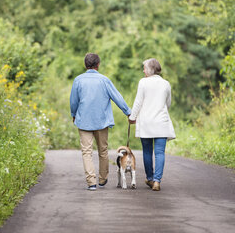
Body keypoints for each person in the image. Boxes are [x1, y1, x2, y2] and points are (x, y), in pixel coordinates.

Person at [70, 53, 131, 191]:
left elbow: (73, 101)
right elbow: (117, 97)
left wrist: (74, 114)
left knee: (87, 152)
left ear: (85, 65)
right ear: (98, 65)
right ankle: (103, 179)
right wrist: (128, 111)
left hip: (84, 120)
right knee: (102, 150)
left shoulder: (78, 80)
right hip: (101, 121)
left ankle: (91, 182)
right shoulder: (104, 80)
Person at [128, 58, 176, 191]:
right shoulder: (166, 84)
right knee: (160, 153)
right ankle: (157, 181)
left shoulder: (143, 82)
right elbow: (168, 103)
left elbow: (138, 102)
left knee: (147, 152)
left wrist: (132, 117)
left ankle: (149, 178)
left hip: (146, 122)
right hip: (161, 122)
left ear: (149, 70)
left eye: (144, 68)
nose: (143, 71)